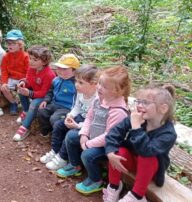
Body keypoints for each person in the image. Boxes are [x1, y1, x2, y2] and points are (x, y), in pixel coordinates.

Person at [56, 66, 130, 196]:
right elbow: (89, 118)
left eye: (105, 86)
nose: (99, 87)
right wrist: (84, 134)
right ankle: (75, 166)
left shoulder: (118, 111)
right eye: (100, 83)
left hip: (108, 146)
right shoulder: (99, 99)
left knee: (88, 154)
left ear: (117, 91)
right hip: (93, 136)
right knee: (71, 137)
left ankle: (96, 180)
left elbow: (109, 136)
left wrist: (88, 144)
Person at [103, 84, 177, 202]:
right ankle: (114, 187)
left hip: (151, 170)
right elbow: (113, 133)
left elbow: (147, 151)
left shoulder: (168, 134)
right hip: (133, 163)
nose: (140, 106)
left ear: (163, 108)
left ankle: (137, 196)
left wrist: (136, 127)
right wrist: (110, 152)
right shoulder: (136, 118)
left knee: (147, 156)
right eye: (139, 101)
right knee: (118, 151)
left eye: (145, 103)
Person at [40, 64, 99, 171]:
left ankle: (62, 158)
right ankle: (55, 151)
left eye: (80, 82)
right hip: (80, 118)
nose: (76, 85)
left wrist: (77, 126)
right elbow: (76, 107)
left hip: (89, 125)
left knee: (70, 134)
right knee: (58, 125)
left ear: (94, 84)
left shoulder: (97, 99)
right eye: (76, 81)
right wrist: (70, 115)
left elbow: (94, 122)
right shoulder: (81, 92)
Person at [12, 45, 56, 141]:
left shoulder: (49, 74)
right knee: (21, 90)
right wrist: (24, 83)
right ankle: (26, 111)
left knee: (34, 103)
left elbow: (45, 93)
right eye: (30, 58)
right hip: (36, 91)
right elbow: (29, 80)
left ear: (44, 62)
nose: (30, 61)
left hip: (45, 98)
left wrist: (30, 94)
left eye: (35, 60)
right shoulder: (31, 68)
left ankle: (25, 127)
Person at [37, 54, 80, 137]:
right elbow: (50, 91)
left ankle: (58, 135)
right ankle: (47, 131)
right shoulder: (56, 80)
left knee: (55, 119)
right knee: (42, 111)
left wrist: (73, 113)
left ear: (74, 71)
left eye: (64, 68)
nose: (60, 70)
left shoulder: (76, 84)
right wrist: (46, 100)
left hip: (66, 108)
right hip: (54, 103)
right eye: (59, 67)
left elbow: (79, 100)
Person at [0, 29, 29, 115]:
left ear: (20, 45)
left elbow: (29, 72)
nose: (10, 46)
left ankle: (25, 105)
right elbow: (4, 70)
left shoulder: (25, 56)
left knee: (22, 89)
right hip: (11, 78)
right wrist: (4, 82)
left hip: (23, 79)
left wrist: (24, 81)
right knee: (3, 88)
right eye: (8, 43)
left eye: (13, 43)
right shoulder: (6, 56)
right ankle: (13, 103)